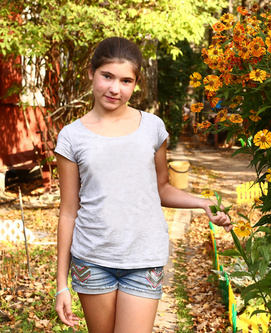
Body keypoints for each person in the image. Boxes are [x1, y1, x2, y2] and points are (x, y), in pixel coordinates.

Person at [54, 37, 232, 333]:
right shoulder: (71, 137)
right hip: (92, 260)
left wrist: (204, 203)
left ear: (136, 83)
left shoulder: (152, 127)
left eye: (126, 81)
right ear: (91, 73)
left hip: (144, 259)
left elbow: (161, 188)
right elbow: (68, 211)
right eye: (107, 76)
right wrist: (61, 284)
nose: (115, 88)